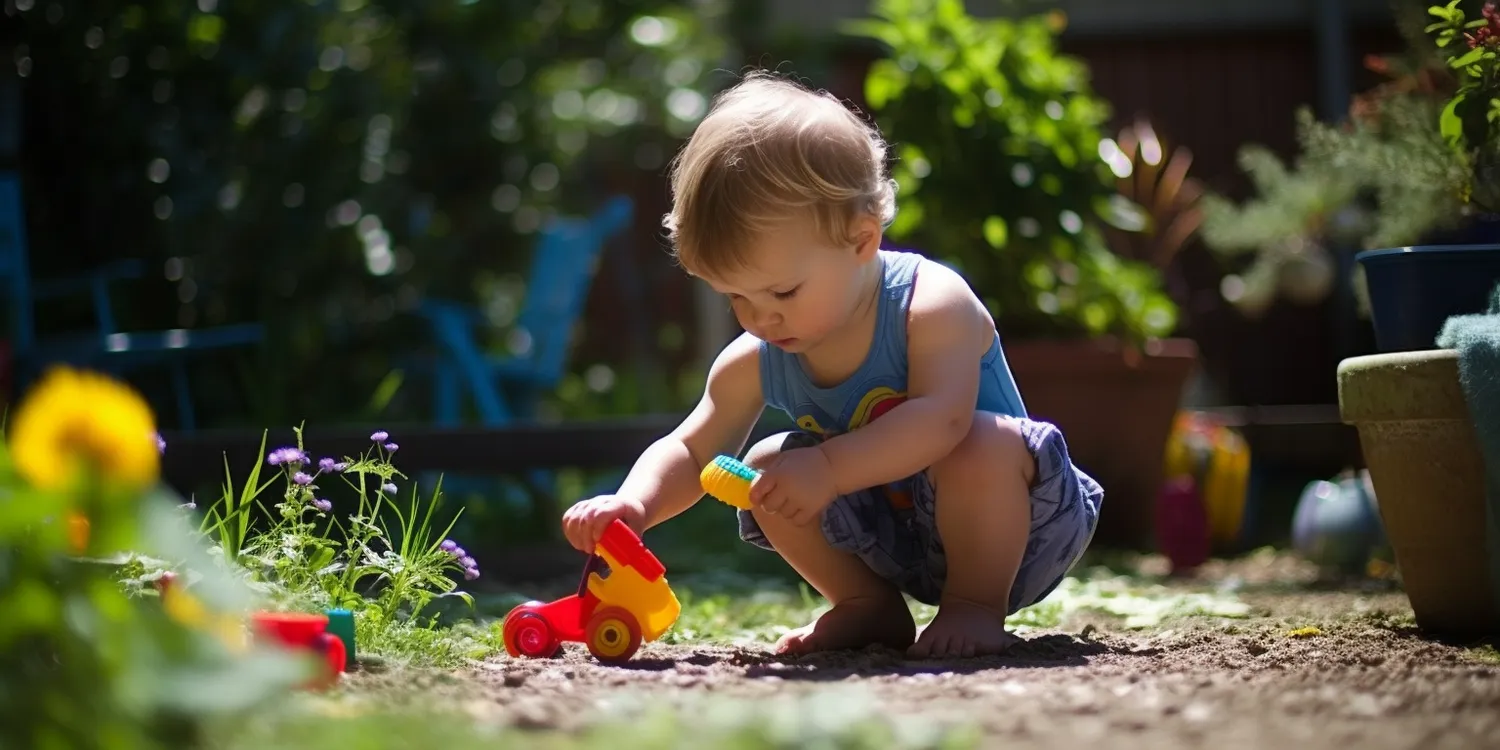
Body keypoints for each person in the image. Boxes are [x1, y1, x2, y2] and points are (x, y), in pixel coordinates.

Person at [562, 71, 1102, 659]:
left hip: (1014, 529)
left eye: (783, 293)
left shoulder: (930, 303)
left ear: (862, 240)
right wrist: (634, 505)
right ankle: (866, 606)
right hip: (889, 538)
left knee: (978, 441)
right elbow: (692, 450)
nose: (760, 319)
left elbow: (940, 421)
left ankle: (973, 609)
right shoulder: (759, 357)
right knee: (766, 464)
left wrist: (828, 467)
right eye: (737, 297)